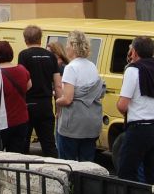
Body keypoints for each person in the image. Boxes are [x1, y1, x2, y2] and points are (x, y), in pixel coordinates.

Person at [117, 37, 154, 184]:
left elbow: (122, 105)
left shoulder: (133, 70)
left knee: (126, 173)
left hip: (139, 127)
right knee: (152, 176)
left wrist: (127, 111)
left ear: (134, 52)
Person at [54, 30, 104, 162]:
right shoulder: (92, 66)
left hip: (74, 124)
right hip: (91, 122)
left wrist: (57, 100)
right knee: (87, 162)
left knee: (67, 163)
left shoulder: (71, 68)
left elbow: (68, 98)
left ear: (73, 46)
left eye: (68, 44)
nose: (66, 48)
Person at [19, 25, 61, 157]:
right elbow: (58, 84)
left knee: (24, 143)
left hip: (28, 104)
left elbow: (23, 80)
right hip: (45, 104)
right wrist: (58, 107)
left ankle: (23, 173)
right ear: (41, 39)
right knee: (49, 144)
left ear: (25, 40)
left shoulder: (23, 55)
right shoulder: (51, 56)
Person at [0, 40, 31, 153]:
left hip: (3, 120)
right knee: (16, 155)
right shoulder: (22, 69)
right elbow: (29, 86)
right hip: (21, 119)